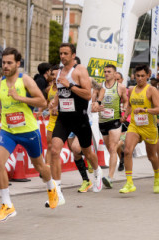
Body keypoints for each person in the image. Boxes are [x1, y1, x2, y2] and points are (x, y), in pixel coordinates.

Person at [0, 47, 58, 222]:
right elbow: (0, 100)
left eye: (9, 63)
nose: (5, 66)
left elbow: (42, 101)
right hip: (8, 131)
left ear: (18, 64)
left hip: (28, 131)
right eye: (3, 62)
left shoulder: (26, 81)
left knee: (40, 167)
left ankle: (51, 188)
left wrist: (20, 98)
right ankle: (7, 205)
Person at [49, 43, 103, 205]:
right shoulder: (58, 73)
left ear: (73, 55)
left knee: (87, 152)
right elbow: (60, 91)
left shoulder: (80, 71)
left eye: (66, 53)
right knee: (54, 150)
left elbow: (87, 95)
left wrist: (70, 85)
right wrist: (54, 102)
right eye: (61, 53)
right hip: (63, 119)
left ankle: (97, 171)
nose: (62, 56)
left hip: (80, 118)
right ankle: (57, 191)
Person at [120, 64, 159, 194]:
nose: (140, 78)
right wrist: (126, 115)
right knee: (127, 151)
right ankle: (129, 182)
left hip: (149, 128)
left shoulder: (151, 90)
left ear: (148, 75)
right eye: (137, 76)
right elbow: (130, 105)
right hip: (134, 125)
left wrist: (144, 110)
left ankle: (157, 176)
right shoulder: (131, 89)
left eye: (142, 76)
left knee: (151, 156)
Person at [93, 64, 128, 188]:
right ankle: (120, 144)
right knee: (110, 148)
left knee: (112, 148)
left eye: (109, 71)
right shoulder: (99, 87)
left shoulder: (120, 87)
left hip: (115, 121)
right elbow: (93, 104)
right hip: (103, 121)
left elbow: (126, 100)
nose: (106, 73)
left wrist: (124, 112)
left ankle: (110, 177)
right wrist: (96, 107)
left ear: (114, 74)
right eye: (105, 71)